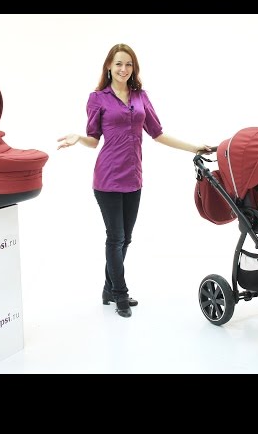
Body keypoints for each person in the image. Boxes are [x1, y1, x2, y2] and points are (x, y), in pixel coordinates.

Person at [57, 43, 211, 318]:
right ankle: (120, 294)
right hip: (107, 178)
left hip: (133, 177)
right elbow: (93, 140)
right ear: (109, 66)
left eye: (128, 64)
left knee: (125, 238)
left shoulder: (141, 97)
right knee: (115, 237)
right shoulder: (97, 98)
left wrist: (194, 147)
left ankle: (108, 288)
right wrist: (78, 137)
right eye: (118, 63)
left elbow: (158, 134)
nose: (123, 69)